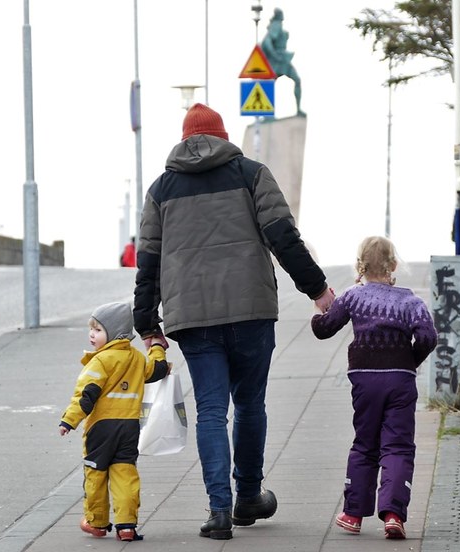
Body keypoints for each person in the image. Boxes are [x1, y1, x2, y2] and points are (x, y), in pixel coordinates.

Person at [133, 103, 335, 540]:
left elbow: (147, 260)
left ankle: (219, 511)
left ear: (183, 139)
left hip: (193, 316)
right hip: (251, 310)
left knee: (210, 409)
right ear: (224, 136)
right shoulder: (251, 173)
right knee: (248, 402)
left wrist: (147, 324)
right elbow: (283, 235)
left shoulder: (160, 190)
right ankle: (248, 496)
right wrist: (318, 290)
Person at [310, 236, 438, 540]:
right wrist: (411, 360)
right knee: (398, 446)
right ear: (393, 265)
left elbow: (323, 329)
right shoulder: (410, 301)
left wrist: (319, 309)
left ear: (360, 266)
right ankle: (393, 514)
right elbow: (428, 337)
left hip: (364, 381)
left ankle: (353, 514)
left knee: (365, 444)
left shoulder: (353, 296)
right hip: (400, 381)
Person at [59, 302, 169, 542]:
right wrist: (158, 347)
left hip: (101, 429)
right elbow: (158, 369)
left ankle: (97, 522)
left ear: (116, 332)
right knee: (125, 473)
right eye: (91, 329)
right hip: (129, 427)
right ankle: (126, 525)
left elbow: (86, 395)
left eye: (98, 330)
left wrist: (69, 421)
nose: (91, 334)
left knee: (96, 473)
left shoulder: (99, 362)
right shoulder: (137, 359)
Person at [261, 8, 304, 116]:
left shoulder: (277, 25)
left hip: (282, 58)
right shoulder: (276, 25)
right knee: (295, 81)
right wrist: (274, 55)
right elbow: (267, 42)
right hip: (279, 60)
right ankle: (269, 115)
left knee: (270, 85)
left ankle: (269, 114)